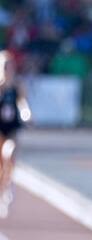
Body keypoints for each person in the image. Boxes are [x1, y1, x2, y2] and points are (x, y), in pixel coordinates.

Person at [0, 51, 32, 218]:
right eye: (5, 66)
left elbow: (23, 103)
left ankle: (8, 187)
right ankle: (2, 188)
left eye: (10, 66)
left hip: (12, 127)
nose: (7, 69)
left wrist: (27, 114)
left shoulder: (18, 85)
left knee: (9, 154)